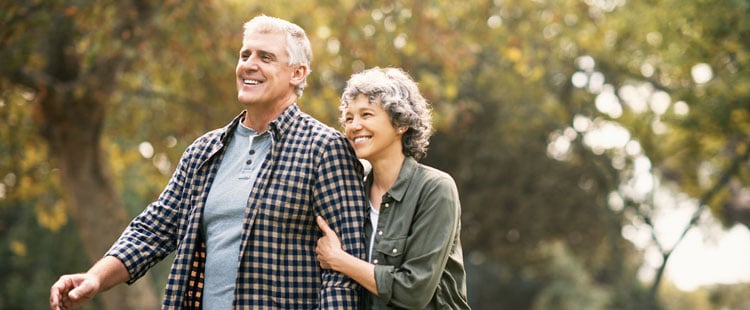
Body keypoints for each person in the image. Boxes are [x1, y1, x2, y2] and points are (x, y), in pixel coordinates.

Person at [50, 15, 368, 309]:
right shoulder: (204, 152)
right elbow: (153, 228)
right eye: (245, 55)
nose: (249, 65)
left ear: (297, 73)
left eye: (265, 57)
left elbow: (345, 270)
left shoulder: (324, 149)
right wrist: (95, 277)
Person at [315, 67, 471, 309]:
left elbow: (413, 291)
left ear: (401, 124)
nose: (354, 126)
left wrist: (339, 259)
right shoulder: (352, 192)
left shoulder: (436, 189)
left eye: (366, 115)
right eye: (348, 118)